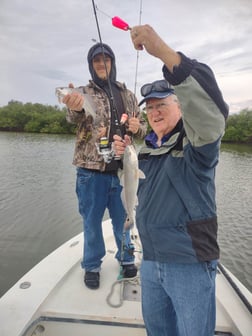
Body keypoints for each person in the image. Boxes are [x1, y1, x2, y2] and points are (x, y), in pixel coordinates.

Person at [114, 25, 229, 336]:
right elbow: (135, 186)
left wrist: (165, 53)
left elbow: (210, 116)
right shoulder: (149, 149)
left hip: (188, 262)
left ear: (181, 107)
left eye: (162, 104)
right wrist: (121, 158)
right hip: (150, 260)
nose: (154, 111)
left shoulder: (197, 146)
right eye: (150, 108)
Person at [62, 42, 146, 290]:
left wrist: (136, 127)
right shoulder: (82, 92)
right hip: (90, 172)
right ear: (91, 65)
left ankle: (127, 258)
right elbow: (72, 117)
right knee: (91, 222)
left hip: (123, 171)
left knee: (125, 218)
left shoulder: (128, 95)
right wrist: (73, 106)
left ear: (113, 63)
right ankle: (92, 265)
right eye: (96, 60)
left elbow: (142, 129)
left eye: (106, 59)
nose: (101, 64)